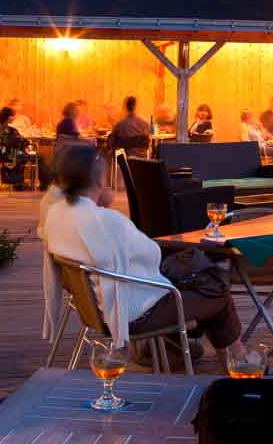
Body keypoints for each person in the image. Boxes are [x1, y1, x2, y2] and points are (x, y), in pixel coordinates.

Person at [40, 145, 249, 369]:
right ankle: (239, 363)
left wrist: (98, 204)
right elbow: (152, 254)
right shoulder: (107, 221)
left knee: (192, 281)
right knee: (216, 291)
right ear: (100, 180)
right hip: (131, 314)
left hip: (95, 308)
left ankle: (174, 350)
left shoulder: (55, 214)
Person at [0, 107, 31, 189]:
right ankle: (17, 182)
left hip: (2, 154)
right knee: (27, 156)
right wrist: (24, 145)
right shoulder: (9, 130)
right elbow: (21, 141)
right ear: (9, 117)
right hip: (7, 155)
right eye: (13, 116)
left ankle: (17, 181)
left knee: (22, 155)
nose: (15, 117)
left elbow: (20, 141)